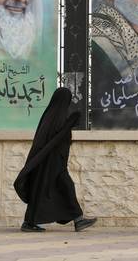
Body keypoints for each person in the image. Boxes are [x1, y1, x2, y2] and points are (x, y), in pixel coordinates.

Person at [14, 87, 97, 232]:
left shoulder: (51, 116)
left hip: (53, 163)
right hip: (51, 163)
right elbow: (56, 139)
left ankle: (77, 220)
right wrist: (70, 123)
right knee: (61, 187)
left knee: (54, 189)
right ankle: (77, 220)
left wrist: (69, 123)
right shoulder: (56, 118)